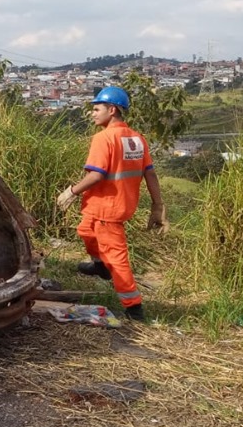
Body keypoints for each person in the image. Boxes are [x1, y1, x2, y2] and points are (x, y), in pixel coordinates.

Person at [55, 86, 169, 321]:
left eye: (97, 109)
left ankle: (134, 307)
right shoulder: (136, 139)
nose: (92, 114)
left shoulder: (103, 138)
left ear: (112, 110)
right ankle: (100, 266)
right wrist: (157, 206)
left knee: (117, 258)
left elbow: (97, 175)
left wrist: (71, 192)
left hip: (107, 208)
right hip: (116, 205)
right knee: (85, 230)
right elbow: (150, 174)